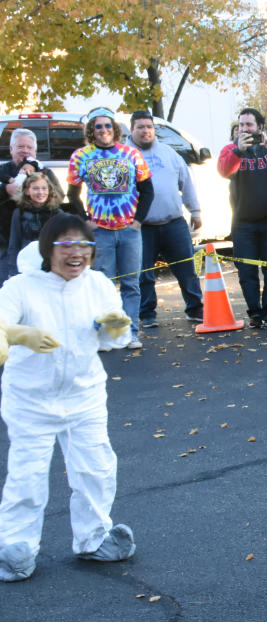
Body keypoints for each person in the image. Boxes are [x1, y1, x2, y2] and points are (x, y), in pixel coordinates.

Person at [0, 213, 137, 582]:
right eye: (66, 245)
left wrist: (116, 328)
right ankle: (15, 547)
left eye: (84, 245)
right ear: (49, 248)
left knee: (96, 467)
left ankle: (94, 538)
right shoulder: (20, 288)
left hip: (85, 394)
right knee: (27, 476)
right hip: (30, 399)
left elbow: (114, 338)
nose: (76, 253)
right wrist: (18, 334)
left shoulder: (97, 285)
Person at [66, 107, 154, 349]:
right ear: (91, 131)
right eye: (98, 126)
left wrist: (138, 220)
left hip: (129, 230)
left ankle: (131, 333)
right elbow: (72, 194)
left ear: (114, 129)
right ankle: (106, 334)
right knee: (103, 284)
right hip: (100, 231)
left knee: (131, 284)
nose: (103, 130)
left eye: (107, 125)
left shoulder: (130, 154)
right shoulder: (81, 156)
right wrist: (85, 219)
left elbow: (147, 189)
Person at [217, 107, 267, 330]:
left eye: (249, 125)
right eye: (241, 125)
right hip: (243, 223)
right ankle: (255, 314)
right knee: (246, 272)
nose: (244, 129)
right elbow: (224, 170)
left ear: (259, 127)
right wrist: (238, 152)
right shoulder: (230, 149)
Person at [126, 110, 204, 328]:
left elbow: (186, 182)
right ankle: (147, 314)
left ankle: (195, 309)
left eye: (149, 127)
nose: (145, 131)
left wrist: (195, 211)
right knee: (144, 274)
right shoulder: (124, 155)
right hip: (141, 225)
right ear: (132, 130)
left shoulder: (169, 153)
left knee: (187, 269)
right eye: (140, 127)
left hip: (173, 223)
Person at [1, 129, 67, 247]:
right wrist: (5, 189)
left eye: (29, 147)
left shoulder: (45, 172)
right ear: (11, 149)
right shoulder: (3, 171)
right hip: (4, 239)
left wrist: (40, 196)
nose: (25, 151)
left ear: (35, 152)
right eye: (20, 146)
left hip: (40, 239)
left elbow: (59, 197)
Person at [2, 172, 66, 283]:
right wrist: (13, 271)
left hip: (51, 265)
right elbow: (14, 242)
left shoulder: (57, 213)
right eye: (35, 188)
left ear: (49, 190)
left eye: (44, 188)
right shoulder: (19, 213)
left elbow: (63, 243)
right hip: (27, 264)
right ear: (27, 191)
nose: (40, 192)